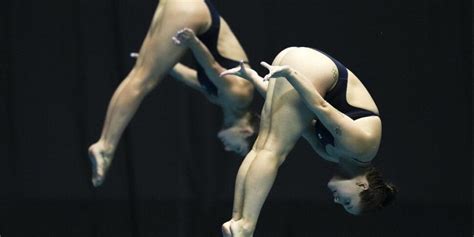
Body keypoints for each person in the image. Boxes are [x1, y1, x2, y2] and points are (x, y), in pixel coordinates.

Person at [219, 47, 397, 237]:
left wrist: (254, 78)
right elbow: (322, 107)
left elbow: (294, 117)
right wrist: (291, 74)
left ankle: (237, 220)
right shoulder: (362, 148)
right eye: (347, 202)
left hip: (299, 64)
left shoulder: (329, 153)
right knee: (272, 150)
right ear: (363, 186)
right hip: (312, 68)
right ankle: (246, 226)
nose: (337, 201)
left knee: (261, 147)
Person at [88, 0, 257, 187]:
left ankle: (105, 144)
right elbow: (213, 68)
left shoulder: (218, 98)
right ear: (246, 131)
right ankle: (105, 146)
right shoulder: (242, 97)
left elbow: (187, 76)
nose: (228, 148)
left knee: (142, 75)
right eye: (239, 149)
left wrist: (156, 61)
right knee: (141, 80)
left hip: (191, 10)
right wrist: (193, 43)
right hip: (194, 12)